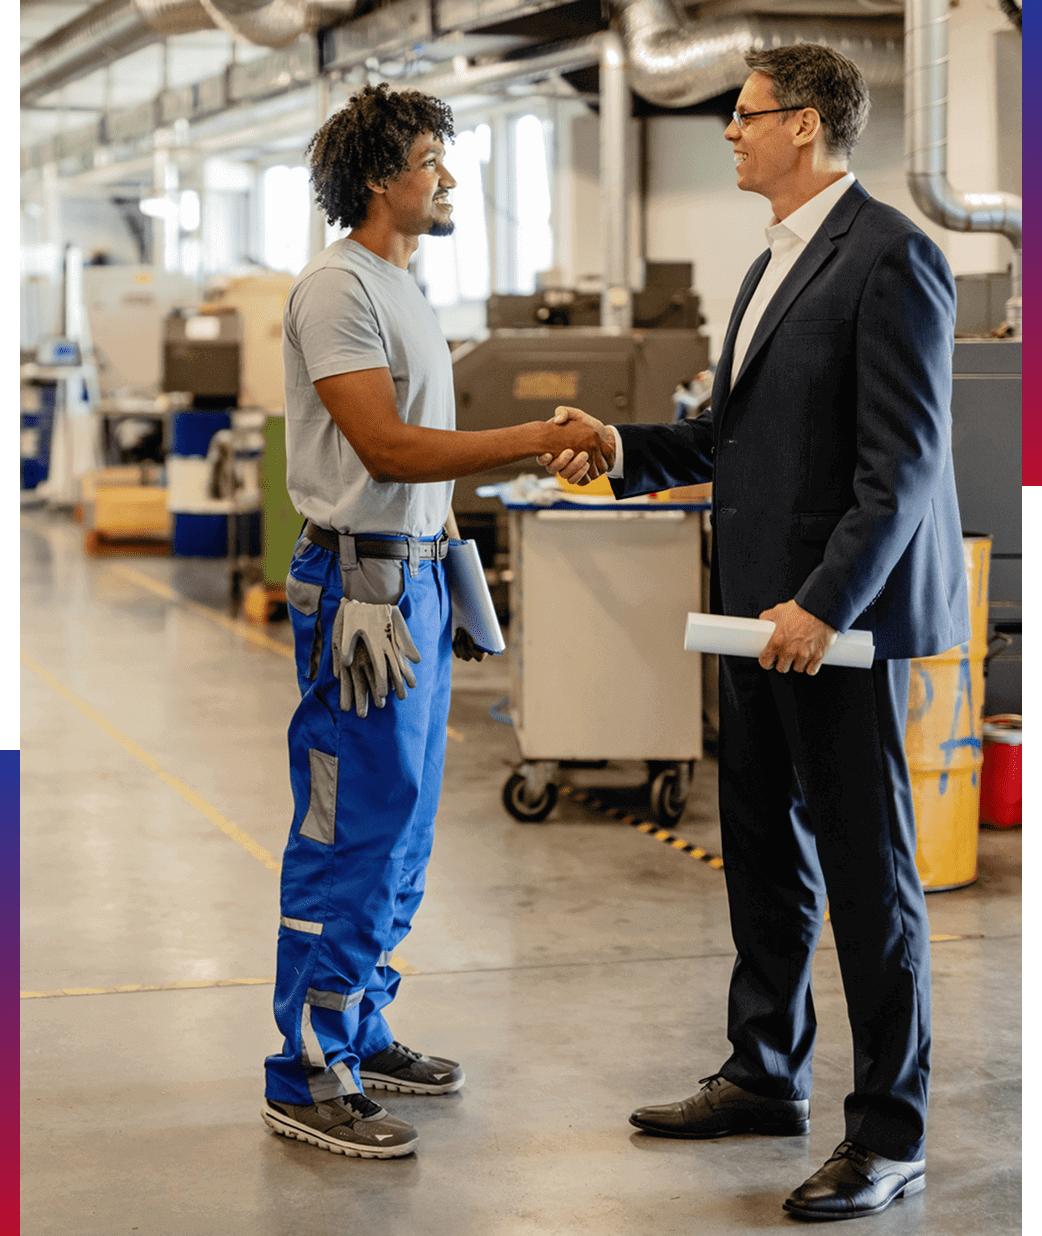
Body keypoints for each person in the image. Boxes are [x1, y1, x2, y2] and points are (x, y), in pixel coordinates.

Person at [543, 44, 968, 1222]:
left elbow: (901, 468)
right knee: (765, 855)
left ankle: (889, 1133)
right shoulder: (775, 259)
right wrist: (623, 447)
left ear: (810, 125)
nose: (728, 132)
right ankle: (763, 1074)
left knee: (869, 882)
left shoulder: (892, 256)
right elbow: (737, 443)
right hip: (754, 621)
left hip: (833, 629)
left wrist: (824, 601)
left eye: (745, 116)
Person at [261, 82, 608, 1159]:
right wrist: (530, 436)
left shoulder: (404, 287)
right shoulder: (335, 288)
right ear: (379, 178)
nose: (448, 177)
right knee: (348, 830)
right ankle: (304, 1070)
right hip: (357, 591)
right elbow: (388, 452)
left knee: (403, 832)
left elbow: (423, 476)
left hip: (410, 580)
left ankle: (359, 1028)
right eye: (430, 159)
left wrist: (453, 570)